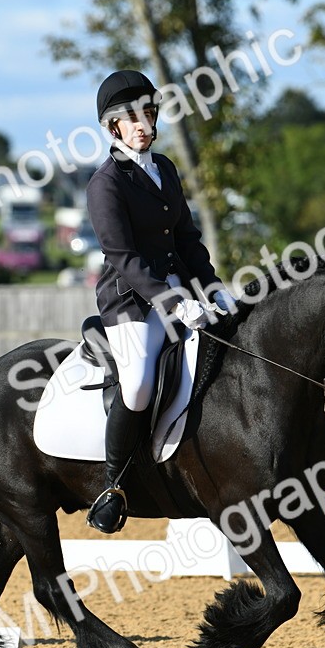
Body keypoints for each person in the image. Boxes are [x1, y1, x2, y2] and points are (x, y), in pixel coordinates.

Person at [84, 69, 234, 534]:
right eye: (134, 118)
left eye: (149, 113)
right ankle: (114, 486)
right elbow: (123, 256)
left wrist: (212, 287)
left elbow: (187, 238)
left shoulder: (164, 169)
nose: (145, 124)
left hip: (182, 291)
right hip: (131, 300)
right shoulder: (105, 184)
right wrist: (172, 300)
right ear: (114, 128)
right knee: (138, 385)